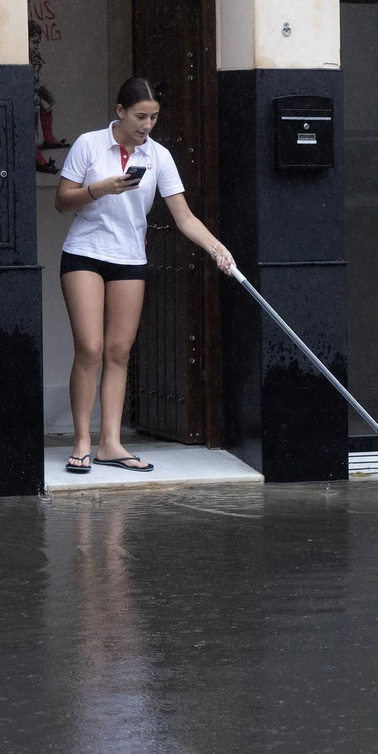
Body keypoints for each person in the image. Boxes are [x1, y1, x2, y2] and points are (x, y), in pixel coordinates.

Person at [54, 77, 233, 474]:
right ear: (120, 112)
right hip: (85, 252)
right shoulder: (88, 144)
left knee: (119, 352)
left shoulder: (159, 156)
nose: (147, 125)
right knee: (91, 349)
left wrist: (217, 249)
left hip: (130, 257)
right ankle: (82, 440)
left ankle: (111, 444)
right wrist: (99, 189)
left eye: (153, 117)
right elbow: (62, 202)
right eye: (140, 116)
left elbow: (183, 217)